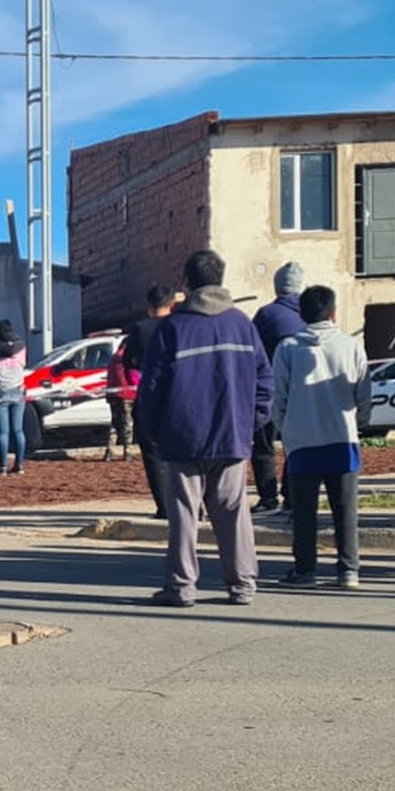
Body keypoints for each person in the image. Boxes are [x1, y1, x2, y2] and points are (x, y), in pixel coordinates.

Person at [137, 249, 271, 607]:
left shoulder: (173, 329)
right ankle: (242, 584)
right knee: (233, 511)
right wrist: (250, 423)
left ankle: (181, 587)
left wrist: (151, 431)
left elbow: (151, 388)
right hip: (232, 435)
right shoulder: (242, 325)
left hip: (183, 437)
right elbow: (265, 382)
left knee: (184, 512)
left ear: (187, 282)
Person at [271, 285, 369, 590]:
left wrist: (284, 428)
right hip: (342, 436)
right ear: (333, 311)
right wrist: (359, 422)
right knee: (345, 509)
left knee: (304, 512)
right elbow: (363, 391)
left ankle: (305, 569)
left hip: (302, 439)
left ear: (301, 314)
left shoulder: (287, 348)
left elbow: (280, 397)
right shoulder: (351, 345)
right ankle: (348, 569)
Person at [250, 262, 305, 513]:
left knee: (263, 445)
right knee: (295, 444)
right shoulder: (309, 313)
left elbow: (252, 352)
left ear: (276, 286)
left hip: (269, 390)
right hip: (301, 391)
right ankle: (293, 496)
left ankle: (268, 497)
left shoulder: (266, 315)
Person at [123, 285, 176, 518]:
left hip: (149, 394)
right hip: (178, 394)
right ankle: (194, 503)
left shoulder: (139, 329)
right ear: (172, 303)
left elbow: (128, 362)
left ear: (149, 306)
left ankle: (164, 506)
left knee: (153, 453)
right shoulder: (180, 325)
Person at [0, 319, 28, 475]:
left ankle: (3, 466)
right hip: (18, 390)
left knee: (3, 432)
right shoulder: (21, 346)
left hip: (0, 391)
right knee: (18, 430)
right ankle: (20, 464)